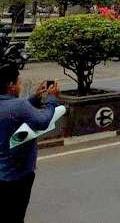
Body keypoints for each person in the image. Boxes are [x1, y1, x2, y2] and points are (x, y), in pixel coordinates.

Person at [1, 64, 60, 223]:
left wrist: (34, 98)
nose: (20, 86)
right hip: (17, 175)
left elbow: (10, 111)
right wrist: (52, 100)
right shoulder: (19, 106)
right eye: (18, 82)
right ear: (11, 86)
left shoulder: (16, 106)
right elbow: (42, 121)